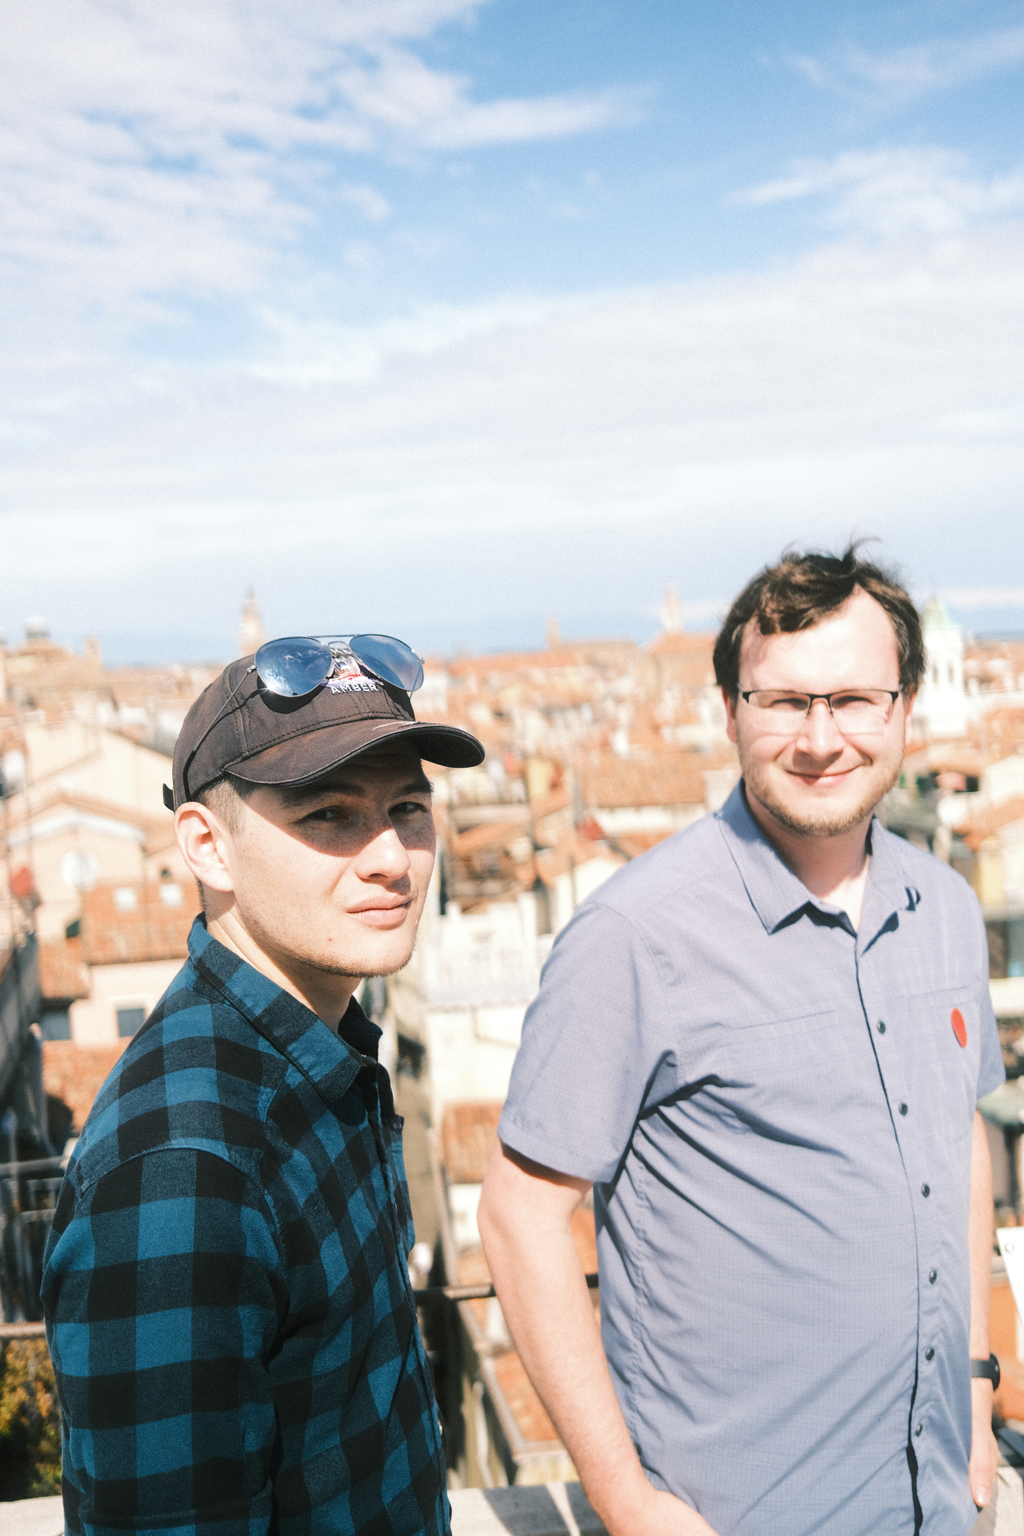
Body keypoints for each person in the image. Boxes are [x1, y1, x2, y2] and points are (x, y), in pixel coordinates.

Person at [479, 549, 1004, 1536]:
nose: (819, 737)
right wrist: (626, 1503)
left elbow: (959, 1143)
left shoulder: (941, 905)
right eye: (782, 702)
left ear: (903, 708)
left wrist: (975, 1383)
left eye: (853, 698)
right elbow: (519, 1218)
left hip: (939, 1502)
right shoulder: (635, 935)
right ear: (729, 713)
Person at [42, 634, 484, 1536]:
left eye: (407, 808)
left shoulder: (325, 1058)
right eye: (329, 816)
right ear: (207, 846)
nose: (392, 859)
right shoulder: (182, 1172)